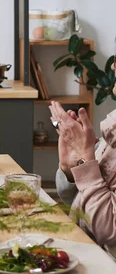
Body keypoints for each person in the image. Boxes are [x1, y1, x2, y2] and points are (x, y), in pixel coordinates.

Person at [53, 60, 116, 255]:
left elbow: (109, 230)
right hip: (83, 250)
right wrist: (71, 168)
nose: (114, 65)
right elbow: (77, 201)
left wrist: (86, 161)